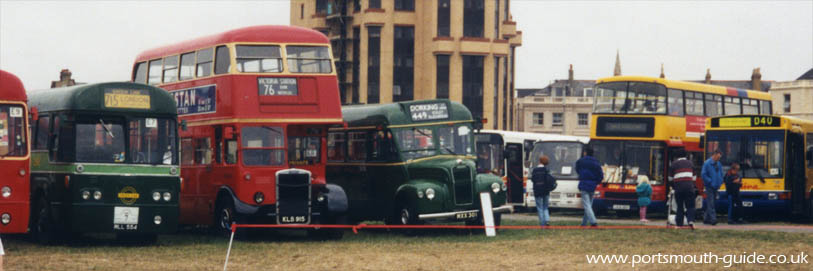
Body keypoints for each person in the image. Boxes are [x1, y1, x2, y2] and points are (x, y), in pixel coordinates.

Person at [576, 146, 603, 227]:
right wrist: (596, 182)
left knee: (587, 205)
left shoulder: (580, 161)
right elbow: (600, 175)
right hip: (592, 185)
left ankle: (593, 222)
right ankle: (583, 223)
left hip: (584, 184)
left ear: (585, 153)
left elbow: (577, 170)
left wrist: (582, 176)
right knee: (589, 205)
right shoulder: (596, 162)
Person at [670, 149, 697, 229]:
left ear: (676, 156)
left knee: (680, 206)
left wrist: (674, 185)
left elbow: (670, 178)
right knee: (690, 206)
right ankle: (691, 221)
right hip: (689, 188)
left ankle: (679, 224)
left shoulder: (674, 164)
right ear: (686, 156)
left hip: (679, 188)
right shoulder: (690, 164)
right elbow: (694, 178)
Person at [531, 155, 556, 226]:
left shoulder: (535, 170)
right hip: (546, 190)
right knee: (545, 207)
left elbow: (533, 179)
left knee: (540, 207)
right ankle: (547, 220)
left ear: (539, 161)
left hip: (537, 190)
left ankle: (542, 224)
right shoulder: (547, 170)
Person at [701, 150, 724, 225]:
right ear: (714, 155)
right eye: (718, 157)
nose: (718, 159)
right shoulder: (707, 163)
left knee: (712, 202)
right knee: (711, 203)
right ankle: (713, 219)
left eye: (719, 158)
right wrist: (710, 182)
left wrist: (720, 181)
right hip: (709, 186)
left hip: (716, 186)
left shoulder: (719, 164)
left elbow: (721, 173)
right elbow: (703, 174)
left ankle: (706, 218)